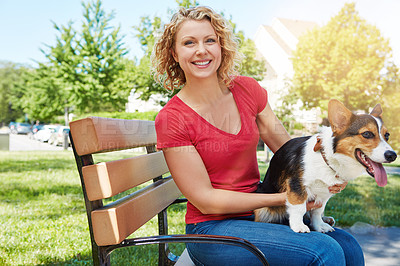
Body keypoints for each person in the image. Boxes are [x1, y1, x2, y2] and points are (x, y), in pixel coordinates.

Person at [152, 6, 364, 266]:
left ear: (221, 46)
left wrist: (327, 167)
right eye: (189, 43)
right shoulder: (173, 118)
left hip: (257, 215)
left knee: (349, 247)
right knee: (324, 251)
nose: (201, 50)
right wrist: (288, 198)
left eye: (210, 40)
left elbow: (290, 152)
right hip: (211, 231)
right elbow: (206, 202)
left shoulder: (247, 90)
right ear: (174, 53)